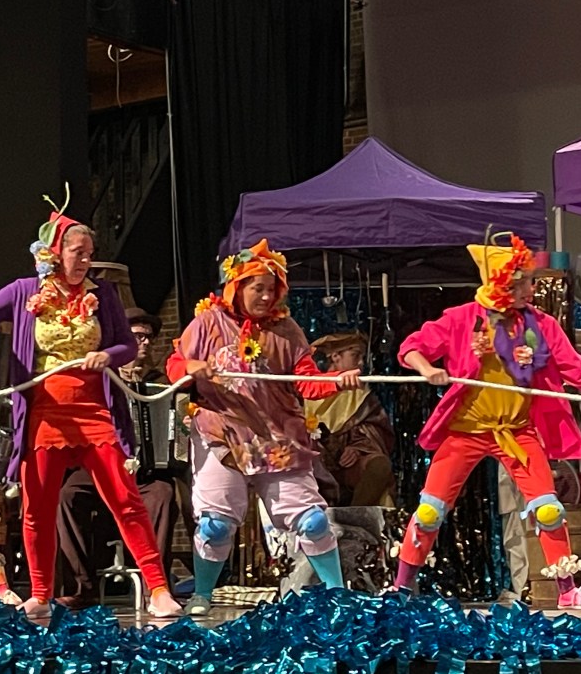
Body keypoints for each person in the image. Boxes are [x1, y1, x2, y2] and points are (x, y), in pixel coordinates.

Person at [393, 233, 581, 609]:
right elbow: (412, 347)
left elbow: (577, 368)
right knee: (430, 511)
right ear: (502, 285)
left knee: (548, 508)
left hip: (516, 432)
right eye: (523, 283)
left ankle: (567, 590)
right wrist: (426, 369)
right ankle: (403, 588)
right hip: (466, 432)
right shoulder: (461, 320)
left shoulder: (539, 325)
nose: (531, 290)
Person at [0, 200, 182, 619]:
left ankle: (158, 589)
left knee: (125, 498)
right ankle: (41, 593)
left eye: (89, 254)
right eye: (78, 252)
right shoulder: (24, 291)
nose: (85, 261)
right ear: (55, 252)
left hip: (93, 410)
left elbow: (126, 344)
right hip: (45, 413)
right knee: (38, 507)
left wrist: (108, 355)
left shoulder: (103, 294)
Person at [166, 238, 361, 615]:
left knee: (314, 521)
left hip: (277, 438)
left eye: (272, 289)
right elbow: (174, 365)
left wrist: (336, 381)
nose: (266, 296)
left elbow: (306, 381)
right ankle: (202, 594)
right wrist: (190, 367)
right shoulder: (207, 323)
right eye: (258, 288)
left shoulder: (287, 330)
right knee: (215, 526)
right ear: (237, 287)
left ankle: (339, 595)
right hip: (222, 434)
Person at [56, 307, 179, 607]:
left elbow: (175, 428)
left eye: (149, 337)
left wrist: (180, 431)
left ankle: (157, 590)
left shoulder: (161, 384)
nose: (145, 342)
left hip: (145, 473)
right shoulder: (99, 380)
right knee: (67, 495)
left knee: (163, 493)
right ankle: (80, 587)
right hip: (100, 467)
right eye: (138, 336)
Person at [306, 331, 396, 507]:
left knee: (379, 465)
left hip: (347, 465)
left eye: (362, 357)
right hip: (313, 461)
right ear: (336, 356)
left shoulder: (361, 395)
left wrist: (357, 448)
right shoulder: (310, 386)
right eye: (355, 355)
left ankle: (355, 516)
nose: (361, 363)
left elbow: (376, 431)